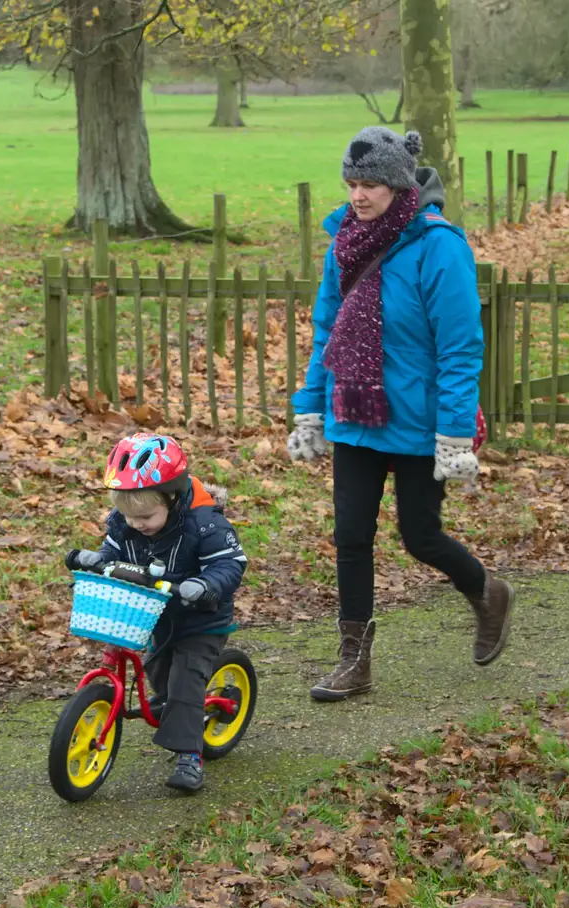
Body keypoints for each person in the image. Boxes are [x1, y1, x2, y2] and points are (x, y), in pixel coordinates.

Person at [286, 126, 513, 703]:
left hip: (419, 422)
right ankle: (353, 661)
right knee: (352, 536)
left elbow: (460, 347)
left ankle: (486, 591)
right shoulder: (343, 241)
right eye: (351, 183)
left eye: (370, 185)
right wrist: (309, 408)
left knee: (420, 535)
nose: (357, 196)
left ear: (398, 184)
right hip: (355, 414)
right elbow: (326, 331)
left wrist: (455, 434)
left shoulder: (440, 246)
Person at [65, 433, 248, 792]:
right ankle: (173, 706)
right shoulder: (126, 521)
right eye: (129, 516)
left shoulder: (205, 524)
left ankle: (188, 754)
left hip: (200, 618)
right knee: (156, 667)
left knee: (184, 681)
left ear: (173, 497)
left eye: (146, 516)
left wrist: (205, 585)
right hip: (152, 613)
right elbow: (112, 550)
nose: (136, 524)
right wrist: (97, 561)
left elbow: (230, 564)